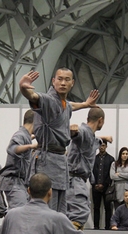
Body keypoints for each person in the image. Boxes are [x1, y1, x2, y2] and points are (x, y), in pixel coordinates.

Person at [19, 69, 98, 213]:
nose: (63, 83)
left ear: (72, 83)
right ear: (53, 81)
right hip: (47, 159)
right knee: (46, 207)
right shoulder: (49, 100)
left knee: (60, 210)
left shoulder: (63, 103)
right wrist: (23, 87)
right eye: (60, 79)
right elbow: (33, 96)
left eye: (67, 80)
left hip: (60, 160)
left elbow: (70, 105)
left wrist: (86, 104)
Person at [66, 107, 111, 230]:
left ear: (88, 118)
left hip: (75, 180)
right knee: (79, 212)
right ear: (101, 120)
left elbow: (94, 141)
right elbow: (78, 134)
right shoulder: (85, 133)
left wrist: (104, 138)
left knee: (73, 213)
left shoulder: (91, 136)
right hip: (74, 181)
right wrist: (74, 131)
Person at [0, 109, 37, 209]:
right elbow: (12, 149)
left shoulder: (26, 136)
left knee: (21, 212)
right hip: (14, 181)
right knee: (19, 212)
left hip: (20, 182)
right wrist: (31, 146)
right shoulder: (20, 135)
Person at [91, 141, 115, 230]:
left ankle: (107, 226)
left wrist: (104, 185)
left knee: (108, 208)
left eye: (103, 145)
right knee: (96, 208)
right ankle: (96, 226)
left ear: (106, 146)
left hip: (107, 188)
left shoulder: (111, 159)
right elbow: (91, 172)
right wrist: (94, 183)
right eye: (100, 146)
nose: (102, 147)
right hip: (95, 186)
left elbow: (111, 174)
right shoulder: (93, 158)